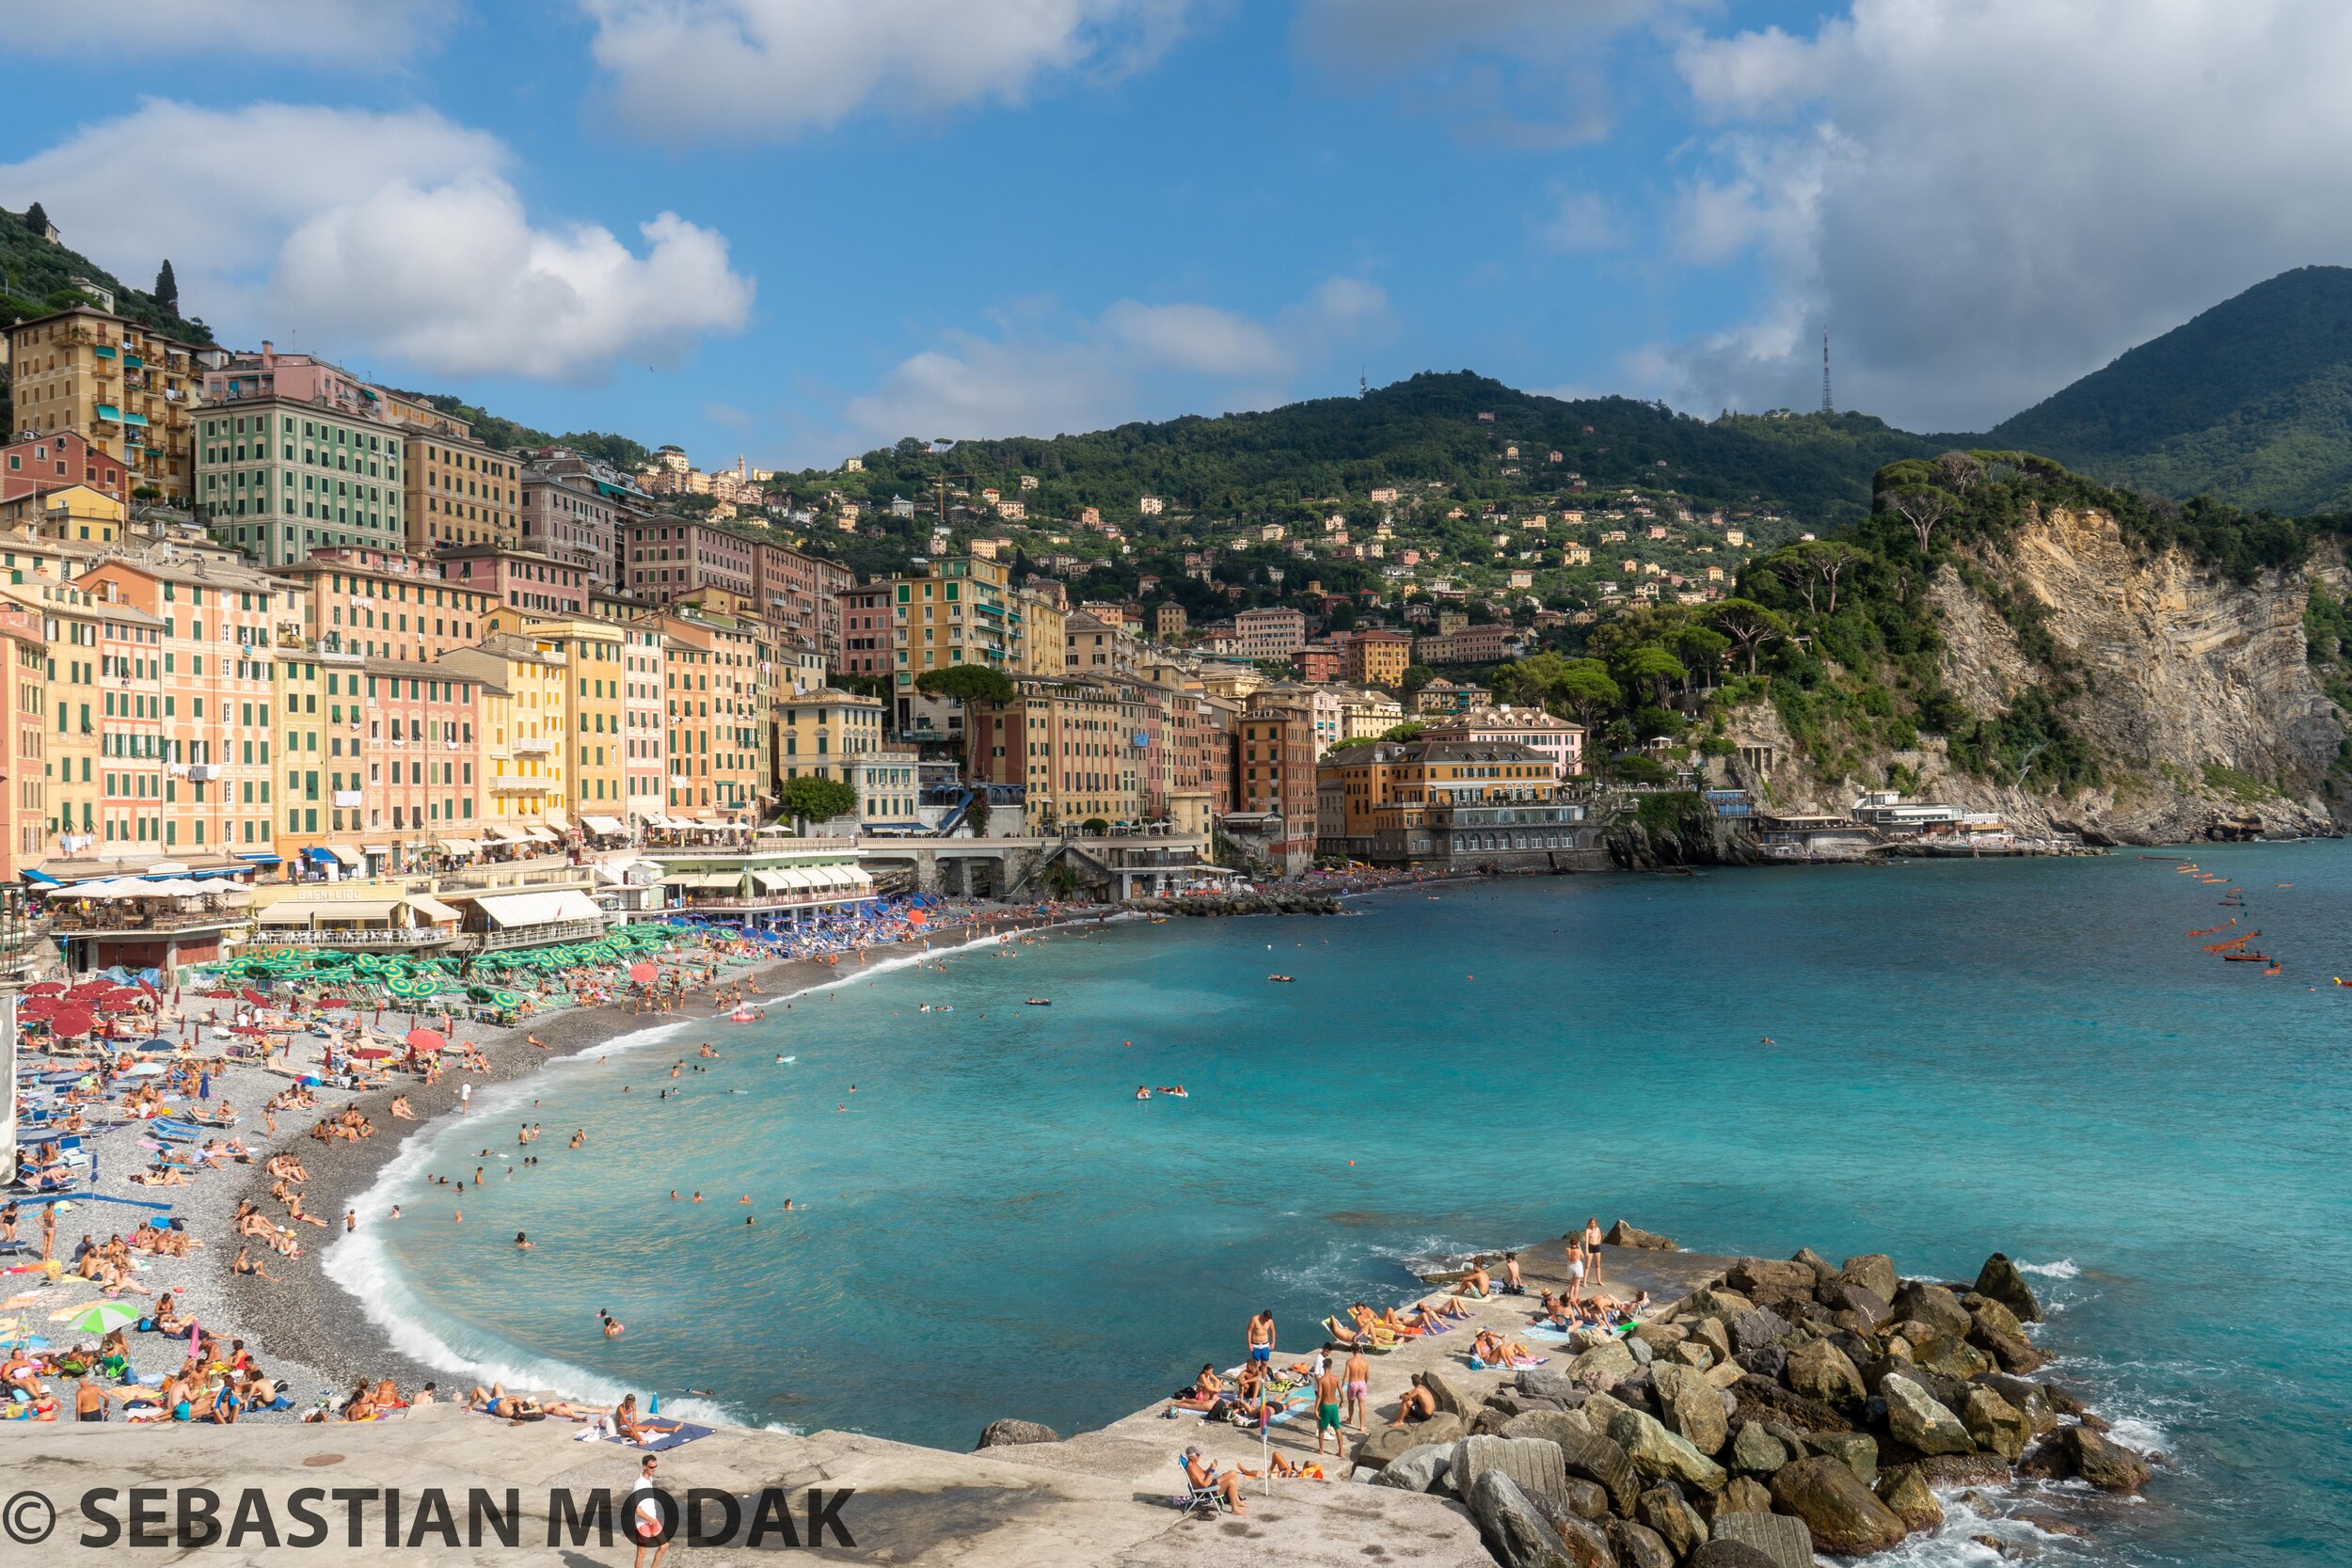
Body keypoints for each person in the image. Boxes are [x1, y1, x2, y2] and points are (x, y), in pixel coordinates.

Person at [631, 1455, 672, 1568]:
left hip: (652, 1520)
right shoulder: (639, 1484)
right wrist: (652, 1521)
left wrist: (653, 1520)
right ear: (644, 1467)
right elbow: (637, 1511)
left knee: (664, 1546)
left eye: (655, 1467)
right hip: (643, 1523)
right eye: (651, 1467)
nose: (654, 1469)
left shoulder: (650, 1479)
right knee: (641, 1554)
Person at [1182, 1448, 1248, 1515]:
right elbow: (1204, 1484)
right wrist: (1212, 1470)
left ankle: (1237, 1501)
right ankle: (1234, 1509)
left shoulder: (1194, 1464)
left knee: (1233, 1473)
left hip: (1209, 1483)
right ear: (1192, 1457)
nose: (1200, 1456)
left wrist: (1210, 1468)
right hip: (1205, 1491)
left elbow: (1204, 1473)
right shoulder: (1191, 1468)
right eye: (1198, 1455)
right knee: (1230, 1482)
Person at [1313, 1355, 1344, 1455]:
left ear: (1323, 1367)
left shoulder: (1321, 1380)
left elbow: (1319, 1396)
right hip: (1334, 1405)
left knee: (1322, 1429)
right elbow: (1340, 1391)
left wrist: (1316, 1409)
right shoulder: (1336, 1378)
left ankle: (1321, 1450)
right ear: (1331, 1367)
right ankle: (1341, 1451)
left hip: (1325, 1406)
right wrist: (1342, 1401)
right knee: (1337, 1428)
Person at [1343, 1344, 1371, 1433]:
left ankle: (1350, 1419)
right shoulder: (1365, 1362)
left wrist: (1342, 1385)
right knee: (1361, 1404)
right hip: (1362, 1383)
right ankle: (1362, 1426)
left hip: (1353, 1383)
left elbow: (1346, 1375)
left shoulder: (1349, 1362)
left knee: (1351, 1403)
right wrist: (1364, 1384)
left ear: (1352, 1351)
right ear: (1359, 1350)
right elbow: (1367, 1376)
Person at [1584, 1218, 1604, 1284]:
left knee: (1598, 1265)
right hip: (1590, 1247)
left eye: (1594, 1223)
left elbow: (1600, 1235)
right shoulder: (1588, 1230)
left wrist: (1599, 1241)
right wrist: (1586, 1251)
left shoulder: (1598, 1229)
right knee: (1587, 1266)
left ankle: (1599, 1281)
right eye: (1591, 1223)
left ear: (1596, 1223)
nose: (1593, 1224)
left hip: (1597, 1248)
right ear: (1589, 1223)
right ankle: (1584, 1282)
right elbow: (1587, 1241)